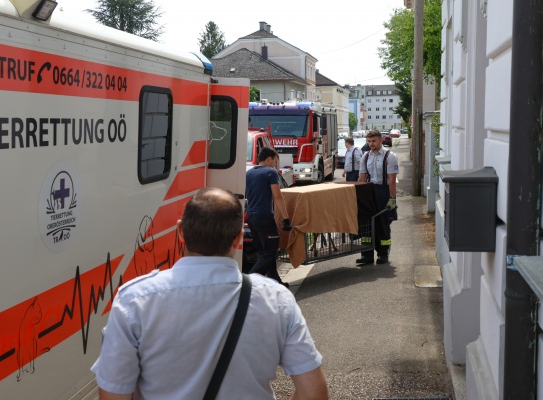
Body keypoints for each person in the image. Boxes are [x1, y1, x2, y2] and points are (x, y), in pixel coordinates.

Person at [91, 187, 328, 400]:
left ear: (181, 231)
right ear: (237, 239)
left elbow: (114, 393)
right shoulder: (277, 300)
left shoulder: (134, 300)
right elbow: (314, 392)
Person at [245, 147, 292, 286]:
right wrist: (286, 218)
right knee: (270, 252)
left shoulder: (249, 173)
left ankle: (275, 282)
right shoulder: (271, 172)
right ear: (269, 158)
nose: (275, 165)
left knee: (264, 252)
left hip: (251, 216)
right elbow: (277, 196)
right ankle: (248, 282)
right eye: (275, 161)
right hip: (264, 216)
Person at [357, 130, 399, 265]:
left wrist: (392, 199)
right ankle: (367, 255)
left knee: (383, 224)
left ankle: (383, 253)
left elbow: (392, 180)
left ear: (381, 140)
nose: (371, 144)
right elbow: (362, 177)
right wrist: (357, 195)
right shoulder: (365, 156)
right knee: (366, 223)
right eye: (369, 141)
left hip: (383, 191)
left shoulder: (390, 156)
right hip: (369, 192)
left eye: (373, 141)